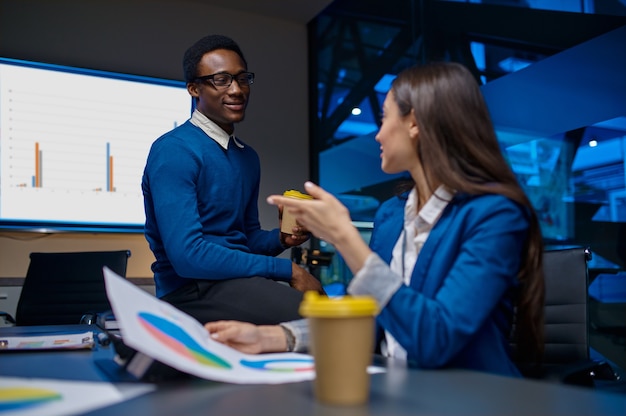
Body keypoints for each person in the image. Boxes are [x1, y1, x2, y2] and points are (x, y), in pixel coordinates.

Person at [205, 62, 545, 377]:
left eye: (384, 119)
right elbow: (366, 316)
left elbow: (436, 339)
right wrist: (271, 337)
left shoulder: (495, 215)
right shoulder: (392, 214)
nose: (378, 135)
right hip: (399, 390)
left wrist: (345, 239)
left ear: (414, 123)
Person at [142, 34, 323, 326]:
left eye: (242, 78)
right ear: (193, 88)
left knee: (324, 313)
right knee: (314, 320)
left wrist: (281, 239)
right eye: (221, 80)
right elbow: (188, 255)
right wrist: (287, 270)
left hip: (234, 283)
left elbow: (246, 238)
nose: (237, 89)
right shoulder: (174, 150)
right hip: (189, 291)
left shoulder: (247, 157)